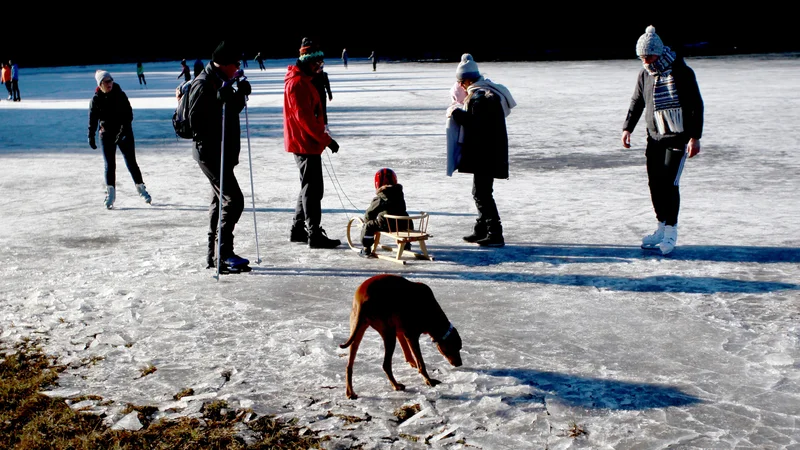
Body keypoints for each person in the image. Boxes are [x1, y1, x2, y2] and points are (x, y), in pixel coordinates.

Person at [622, 26, 704, 256]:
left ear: (659, 51)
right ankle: (660, 226)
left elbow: (696, 106)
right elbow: (637, 101)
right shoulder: (645, 74)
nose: (645, 61)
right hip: (654, 137)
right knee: (655, 183)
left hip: (678, 137)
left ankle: (671, 231)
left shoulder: (682, 73)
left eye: (648, 56)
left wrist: (695, 137)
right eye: (641, 57)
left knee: (670, 184)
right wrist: (627, 128)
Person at [186, 40, 252, 272]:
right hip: (210, 153)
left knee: (219, 201)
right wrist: (220, 98)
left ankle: (214, 256)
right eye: (235, 63)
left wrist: (238, 95)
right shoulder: (204, 84)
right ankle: (223, 254)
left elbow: (228, 110)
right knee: (234, 201)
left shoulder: (221, 80)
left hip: (223, 152)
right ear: (223, 63)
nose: (238, 67)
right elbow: (197, 122)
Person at [447, 53, 516, 247]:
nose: (461, 86)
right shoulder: (486, 93)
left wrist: (456, 113)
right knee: (481, 191)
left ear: (467, 80)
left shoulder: (481, 97)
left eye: (461, 83)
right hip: (489, 152)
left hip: (487, 154)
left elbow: (476, 124)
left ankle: (495, 232)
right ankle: (482, 229)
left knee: (482, 193)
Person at [283, 37, 342, 249]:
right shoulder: (298, 83)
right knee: (313, 189)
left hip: (307, 142)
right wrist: (327, 140)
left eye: (321, 64)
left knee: (308, 186)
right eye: (317, 63)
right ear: (308, 61)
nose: (320, 67)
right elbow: (306, 119)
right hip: (304, 143)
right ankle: (314, 233)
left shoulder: (304, 79)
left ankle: (298, 229)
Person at [88, 70, 152, 209]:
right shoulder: (96, 99)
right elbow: (93, 120)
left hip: (124, 133)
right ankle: (110, 195)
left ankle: (142, 190)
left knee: (131, 162)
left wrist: (123, 131)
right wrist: (91, 136)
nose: (109, 83)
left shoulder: (120, 95)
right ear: (100, 84)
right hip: (106, 135)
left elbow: (129, 114)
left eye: (110, 80)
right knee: (109, 165)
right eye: (106, 82)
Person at [359, 168, 411, 257]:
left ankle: (366, 248)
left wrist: (367, 221)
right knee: (405, 216)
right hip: (403, 224)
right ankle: (406, 244)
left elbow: (370, 212)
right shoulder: (399, 193)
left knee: (368, 226)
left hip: (387, 225)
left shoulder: (381, 197)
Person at [311, 65, 332, 133]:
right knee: (314, 111)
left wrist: (329, 94)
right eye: (319, 68)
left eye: (321, 68)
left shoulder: (324, 75)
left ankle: (325, 126)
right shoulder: (312, 75)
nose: (320, 69)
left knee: (323, 111)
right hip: (313, 96)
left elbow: (327, 85)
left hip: (322, 95)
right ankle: (316, 127)